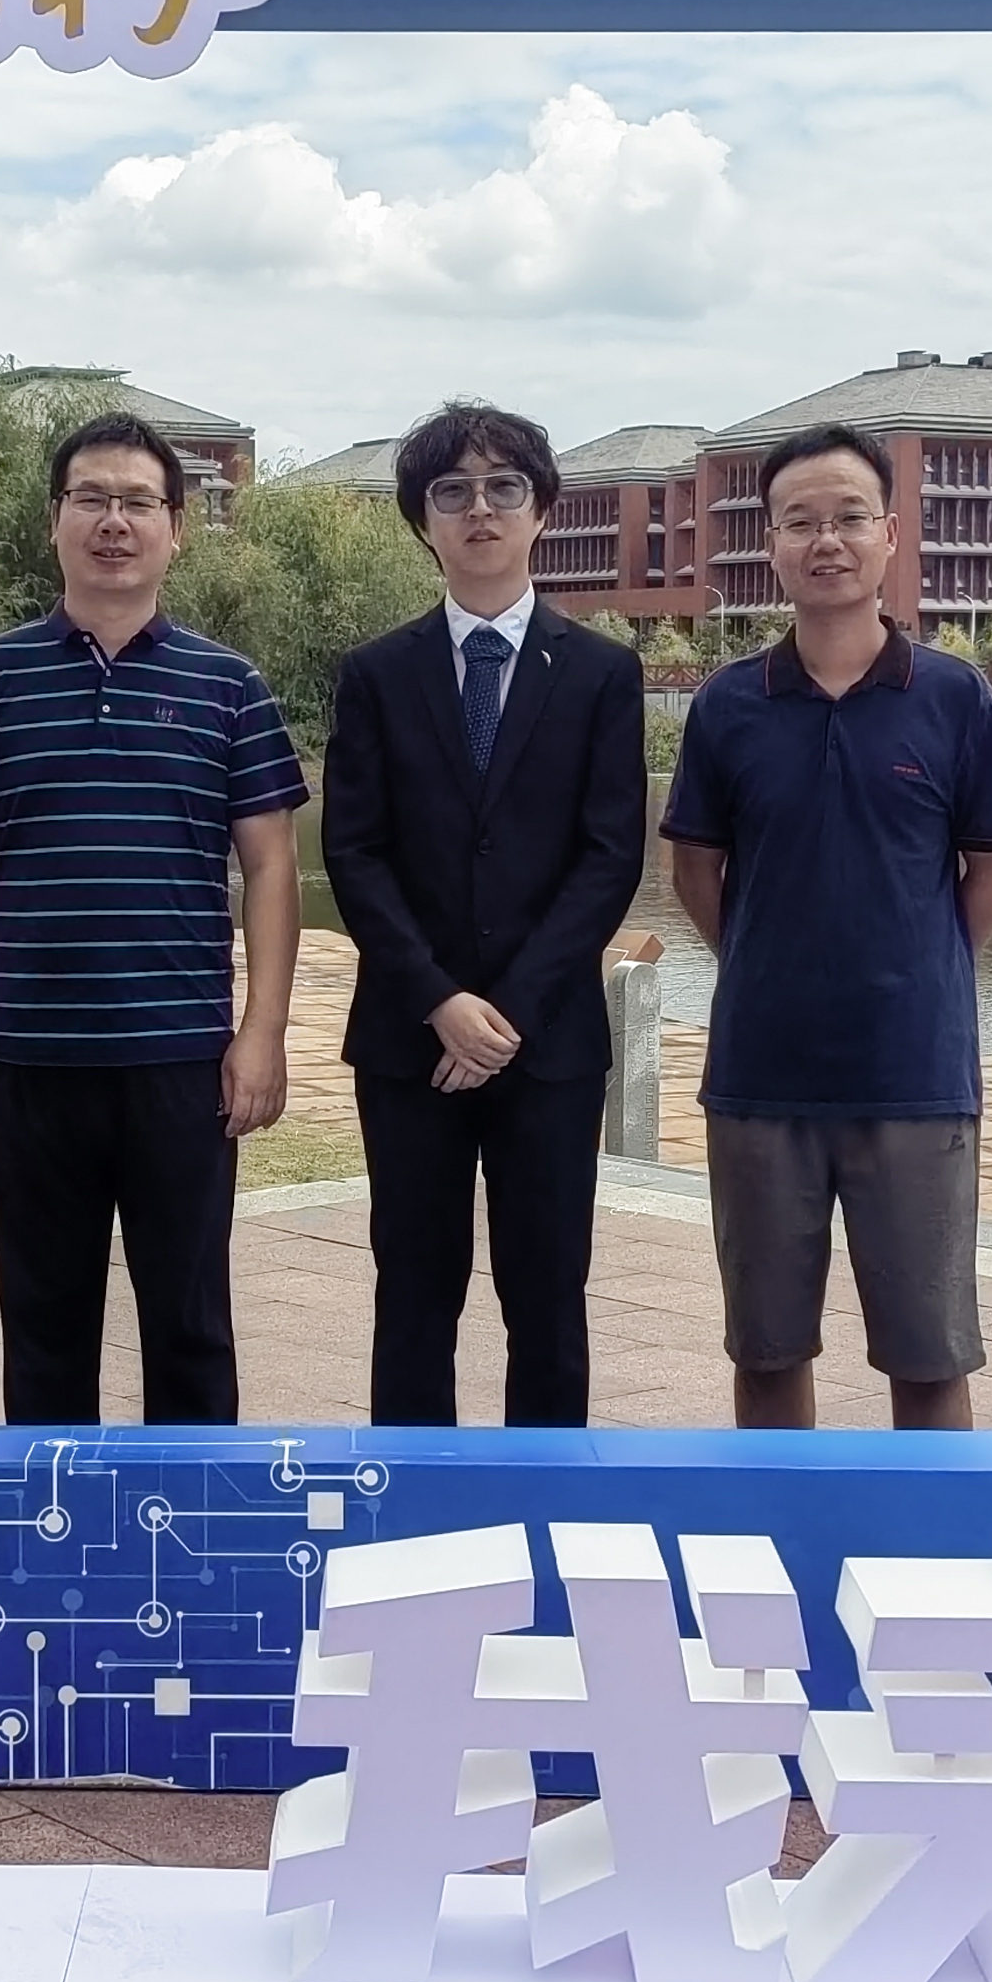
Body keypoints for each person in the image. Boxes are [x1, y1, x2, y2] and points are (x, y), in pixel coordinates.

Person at [0, 411, 307, 1424]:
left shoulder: (230, 688)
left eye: (137, 502)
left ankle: (195, 1515)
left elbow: (270, 867)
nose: (113, 522)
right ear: (54, 520)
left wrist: (262, 1032)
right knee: (43, 1328)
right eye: (91, 499)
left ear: (175, 528)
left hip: (184, 1061)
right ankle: (54, 1518)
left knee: (190, 1326)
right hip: (35, 1058)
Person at [661, 422, 992, 1431]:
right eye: (801, 522)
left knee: (929, 1355)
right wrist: (768, 959)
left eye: (850, 518)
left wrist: (918, 962)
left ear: (889, 535)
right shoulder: (728, 706)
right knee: (766, 1348)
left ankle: (926, 1531)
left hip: (914, 1076)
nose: (827, 540)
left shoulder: (955, 698)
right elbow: (693, 868)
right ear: (771, 543)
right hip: (760, 1076)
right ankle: (783, 1526)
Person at [320, 402, 646, 1425]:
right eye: (452, 491)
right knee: (413, 1293)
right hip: (408, 1042)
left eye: (504, 487)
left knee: (546, 1297)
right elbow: (353, 854)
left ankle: (544, 1499)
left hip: (546, 1045)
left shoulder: (601, 673)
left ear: (542, 509)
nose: (480, 509)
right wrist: (439, 1001)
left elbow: (609, 858)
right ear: (422, 519)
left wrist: (503, 1012)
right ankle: (413, 1503)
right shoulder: (376, 675)